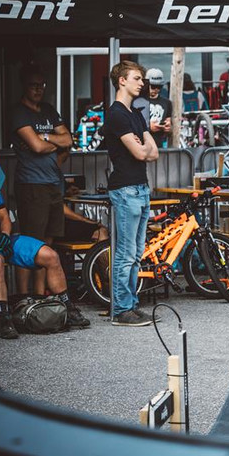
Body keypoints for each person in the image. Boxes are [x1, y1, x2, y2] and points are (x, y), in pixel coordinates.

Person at [0, 179, 90, 338]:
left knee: (50, 256)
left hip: (0, 240)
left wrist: (4, 234)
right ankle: (3, 319)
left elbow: (4, 217)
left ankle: (68, 308)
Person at [102, 61, 159, 327]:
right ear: (122, 80)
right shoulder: (116, 114)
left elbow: (153, 152)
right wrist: (142, 146)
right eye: (137, 78)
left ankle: (131, 305)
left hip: (140, 187)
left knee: (136, 253)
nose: (142, 83)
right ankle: (121, 309)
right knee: (125, 253)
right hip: (125, 189)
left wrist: (143, 146)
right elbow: (139, 152)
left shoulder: (135, 113)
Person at [11, 67, 72, 296]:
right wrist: (54, 142)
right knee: (30, 243)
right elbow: (36, 147)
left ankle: (38, 297)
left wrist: (45, 137)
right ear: (24, 86)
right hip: (31, 184)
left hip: (53, 182)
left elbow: (68, 140)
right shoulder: (19, 112)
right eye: (33, 85)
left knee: (47, 244)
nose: (38, 89)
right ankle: (23, 298)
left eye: (42, 85)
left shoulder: (47, 109)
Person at [145, 68, 174, 147]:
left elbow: (168, 122)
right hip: (142, 144)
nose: (156, 89)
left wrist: (167, 127)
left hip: (159, 144)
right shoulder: (138, 101)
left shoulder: (167, 103)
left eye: (159, 87)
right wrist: (149, 127)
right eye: (153, 86)